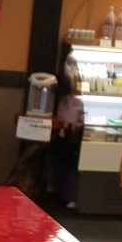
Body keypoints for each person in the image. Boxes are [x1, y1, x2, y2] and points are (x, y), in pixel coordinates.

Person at [47, 41, 84, 210]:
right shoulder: (72, 78)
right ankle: (66, 193)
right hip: (70, 130)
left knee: (65, 161)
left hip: (67, 128)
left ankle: (65, 193)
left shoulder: (66, 74)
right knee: (67, 161)